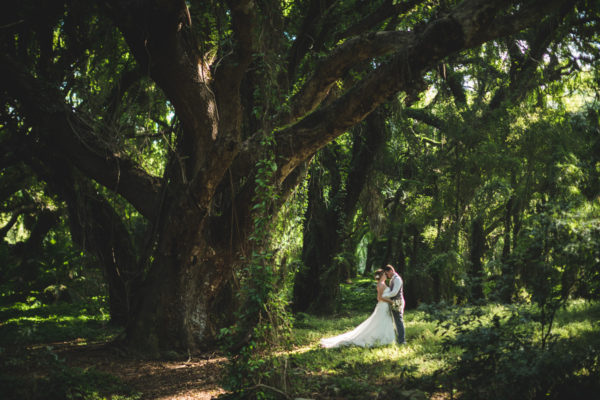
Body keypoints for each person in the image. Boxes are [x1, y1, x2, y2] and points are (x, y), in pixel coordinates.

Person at [320, 269, 396, 348]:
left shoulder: (382, 283)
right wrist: (391, 302)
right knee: (378, 322)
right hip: (383, 305)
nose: (386, 275)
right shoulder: (380, 284)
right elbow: (379, 298)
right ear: (381, 276)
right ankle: (379, 338)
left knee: (383, 321)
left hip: (385, 305)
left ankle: (384, 337)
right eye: (384, 274)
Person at [382, 264, 406, 345]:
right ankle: (399, 339)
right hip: (394, 302)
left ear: (391, 271)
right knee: (396, 321)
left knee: (399, 321)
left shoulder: (397, 279)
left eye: (387, 273)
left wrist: (384, 296)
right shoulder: (392, 279)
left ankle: (402, 341)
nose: (387, 275)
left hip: (398, 302)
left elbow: (394, 292)